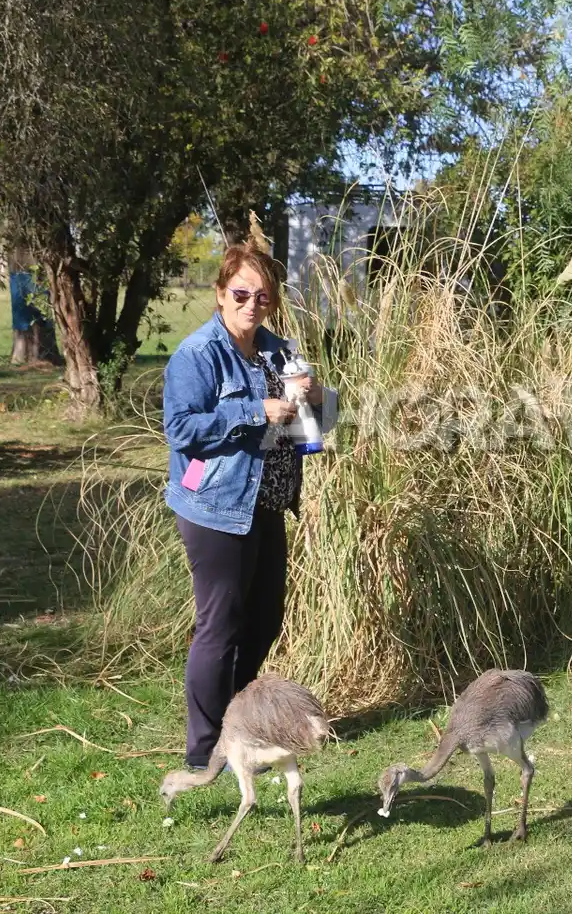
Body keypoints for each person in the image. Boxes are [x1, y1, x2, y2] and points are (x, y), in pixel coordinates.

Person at [162, 243, 324, 769]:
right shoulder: (198, 354)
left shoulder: (281, 351)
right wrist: (256, 410)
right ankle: (203, 751)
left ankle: (237, 721)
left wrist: (317, 400)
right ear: (220, 294)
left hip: (266, 503)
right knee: (221, 624)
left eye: (262, 297)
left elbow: (315, 430)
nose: (251, 304)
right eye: (241, 294)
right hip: (214, 503)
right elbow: (181, 428)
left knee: (265, 619)